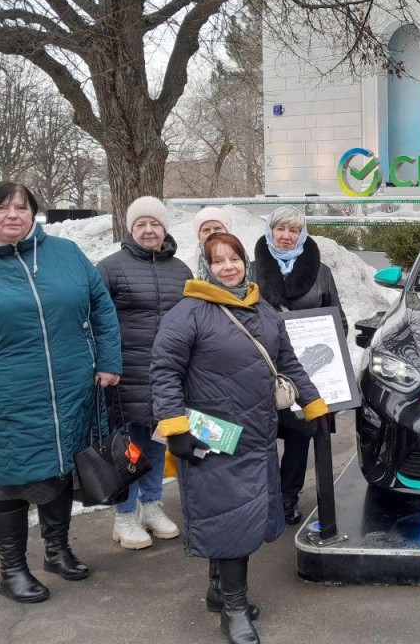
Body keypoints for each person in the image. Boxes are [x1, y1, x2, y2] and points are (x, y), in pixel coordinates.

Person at [151, 232, 329, 644]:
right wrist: (175, 429)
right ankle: (233, 610)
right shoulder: (188, 313)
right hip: (213, 438)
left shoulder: (263, 310)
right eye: (218, 261)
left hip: (257, 435)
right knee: (230, 519)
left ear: (245, 263)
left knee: (237, 515)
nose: (227, 267)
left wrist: (314, 404)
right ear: (205, 268)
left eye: (234, 259)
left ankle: (218, 592)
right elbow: (164, 373)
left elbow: (288, 363)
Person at [0, 182, 121, 604]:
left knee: (60, 469)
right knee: (10, 479)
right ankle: (11, 571)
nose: (13, 214)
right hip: (4, 396)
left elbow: (102, 307)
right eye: (2, 207)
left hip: (70, 389)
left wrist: (108, 361)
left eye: (22, 207)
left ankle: (57, 550)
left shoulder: (66, 255)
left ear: (34, 215)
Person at [97, 197, 192, 550]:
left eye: (155, 224)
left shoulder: (181, 270)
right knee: (128, 446)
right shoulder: (110, 268)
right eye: (141, 225)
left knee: (157, 440)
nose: (149, 230)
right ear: (130, 229)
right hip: (125, 375)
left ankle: (151, 506)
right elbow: (95, 320)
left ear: (165, 228)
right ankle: (124, 515)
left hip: (168, 374)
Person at [253, 206, 347, 525]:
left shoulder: (321, 273)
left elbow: (339, 321)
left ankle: (288, 497)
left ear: (302, 234)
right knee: (260, 434)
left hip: (307, 370)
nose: (286, 235)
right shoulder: (252, 271)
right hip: (260, 368)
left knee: (300, 434)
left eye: (293, 230)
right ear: (270, 230)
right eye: (280, 228)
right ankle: (262, 497)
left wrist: (326, 344)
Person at [192, 207, 232, 278]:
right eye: (206, 230)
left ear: (227, 231)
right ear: (199, 235)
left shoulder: (241, 260)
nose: (212, 234)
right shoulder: (189, 267)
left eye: (217, 228)